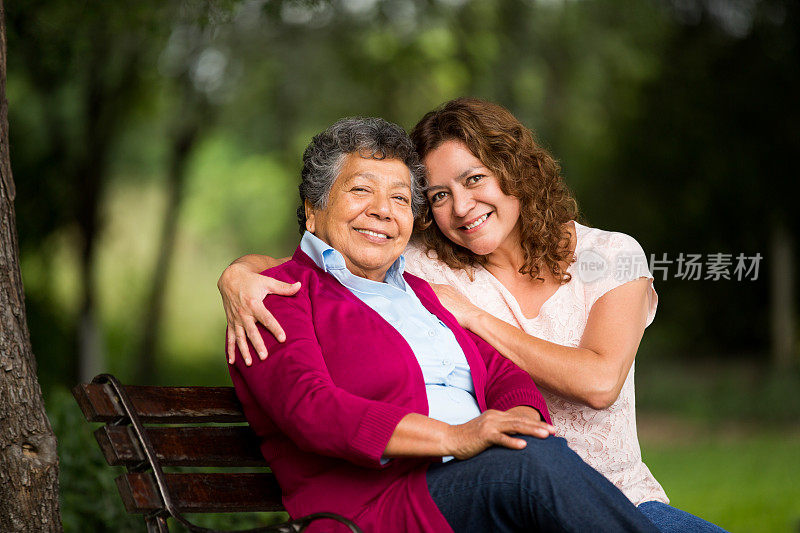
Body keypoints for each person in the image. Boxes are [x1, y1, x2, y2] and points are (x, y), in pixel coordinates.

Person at [220, 100, 726, 532]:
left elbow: (543, 378)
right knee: (529, 467)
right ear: (312, 209)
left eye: (400, 197)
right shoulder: (305, 290)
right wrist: (238, 273)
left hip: (600, 493)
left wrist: (513, 420)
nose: (383, 210)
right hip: (409, 498)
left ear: (514, 172)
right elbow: (314, 392)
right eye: (438, 196)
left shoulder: (422, 287)